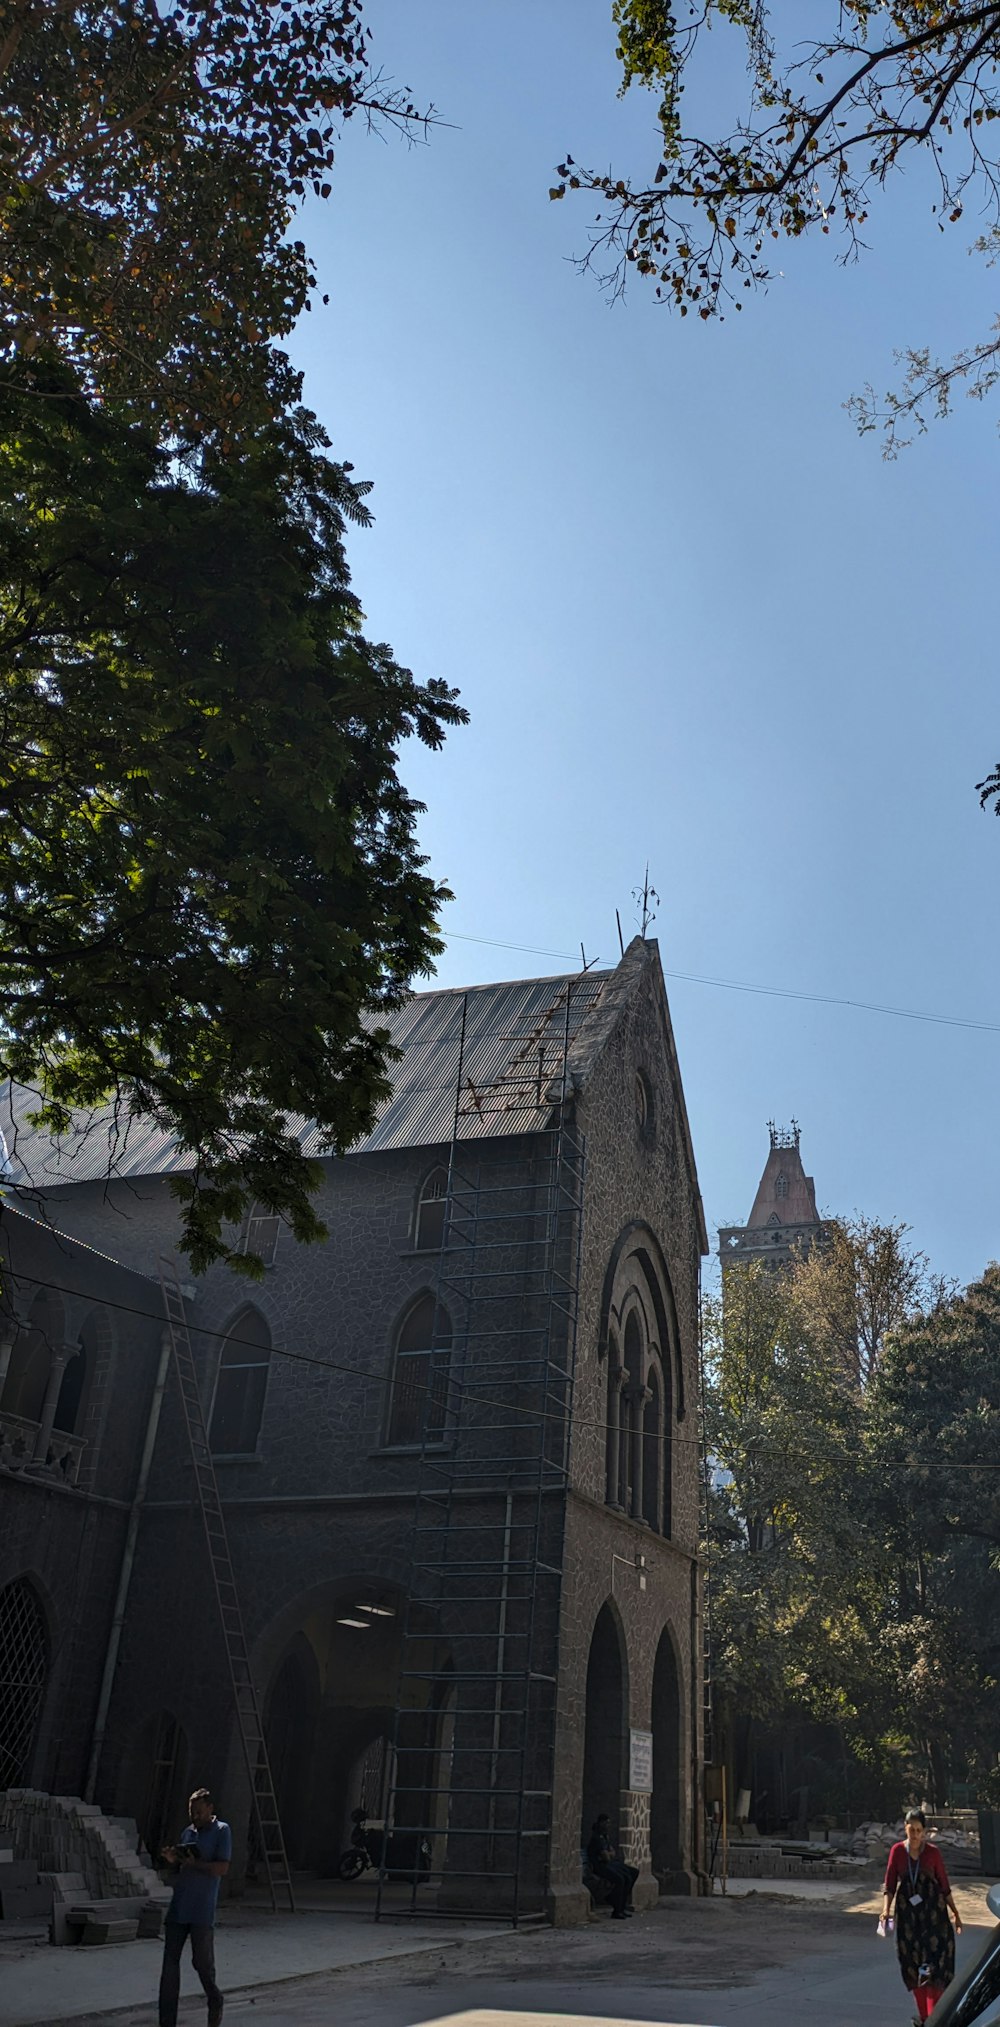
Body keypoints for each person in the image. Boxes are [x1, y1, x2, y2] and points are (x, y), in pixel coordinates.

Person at [880, 1807, 962, 2022]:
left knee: (934, 1968)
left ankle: (934, 2016)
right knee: (913, 1967)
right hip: (909, 1920)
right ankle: (925, 2018)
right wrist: (885, 1911)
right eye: (911, 1830)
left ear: (924, 1832)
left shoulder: (933, 1853)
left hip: (933, 1919)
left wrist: (955, 1913)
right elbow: (889, 1885)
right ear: (905, 1830)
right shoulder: (897, 1852)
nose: (914, 1835)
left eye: (918, 1830)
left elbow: (944, 1885)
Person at [159, 1787, 232, 2027]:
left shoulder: (222, 1831)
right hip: (179, 1906)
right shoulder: (187, 1833)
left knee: (201, 1963)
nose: (195, 1817)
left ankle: (215, 1998)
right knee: (170, 1965)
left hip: (202, 1909)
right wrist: (174, 1860)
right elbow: (180, 1869)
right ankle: (167, 2021)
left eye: (199, 1812)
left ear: (210, 1809)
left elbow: (221, 1869)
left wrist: (196, 1863)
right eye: (192, 1812)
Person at [586, 1814, 638, 1919]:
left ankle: (622, 1905)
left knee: (633, 1872)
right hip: (599, 1866)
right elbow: (606, 1857)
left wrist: (609, 1854)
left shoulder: (604, 1836)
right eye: (606, 1823)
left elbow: (611, 1852)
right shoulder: (596, 1838)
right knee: (621, 1879)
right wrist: (609, 1854)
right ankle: (617, 1908)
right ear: (601, 1823)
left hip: (608, 1863)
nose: (608, 1825)